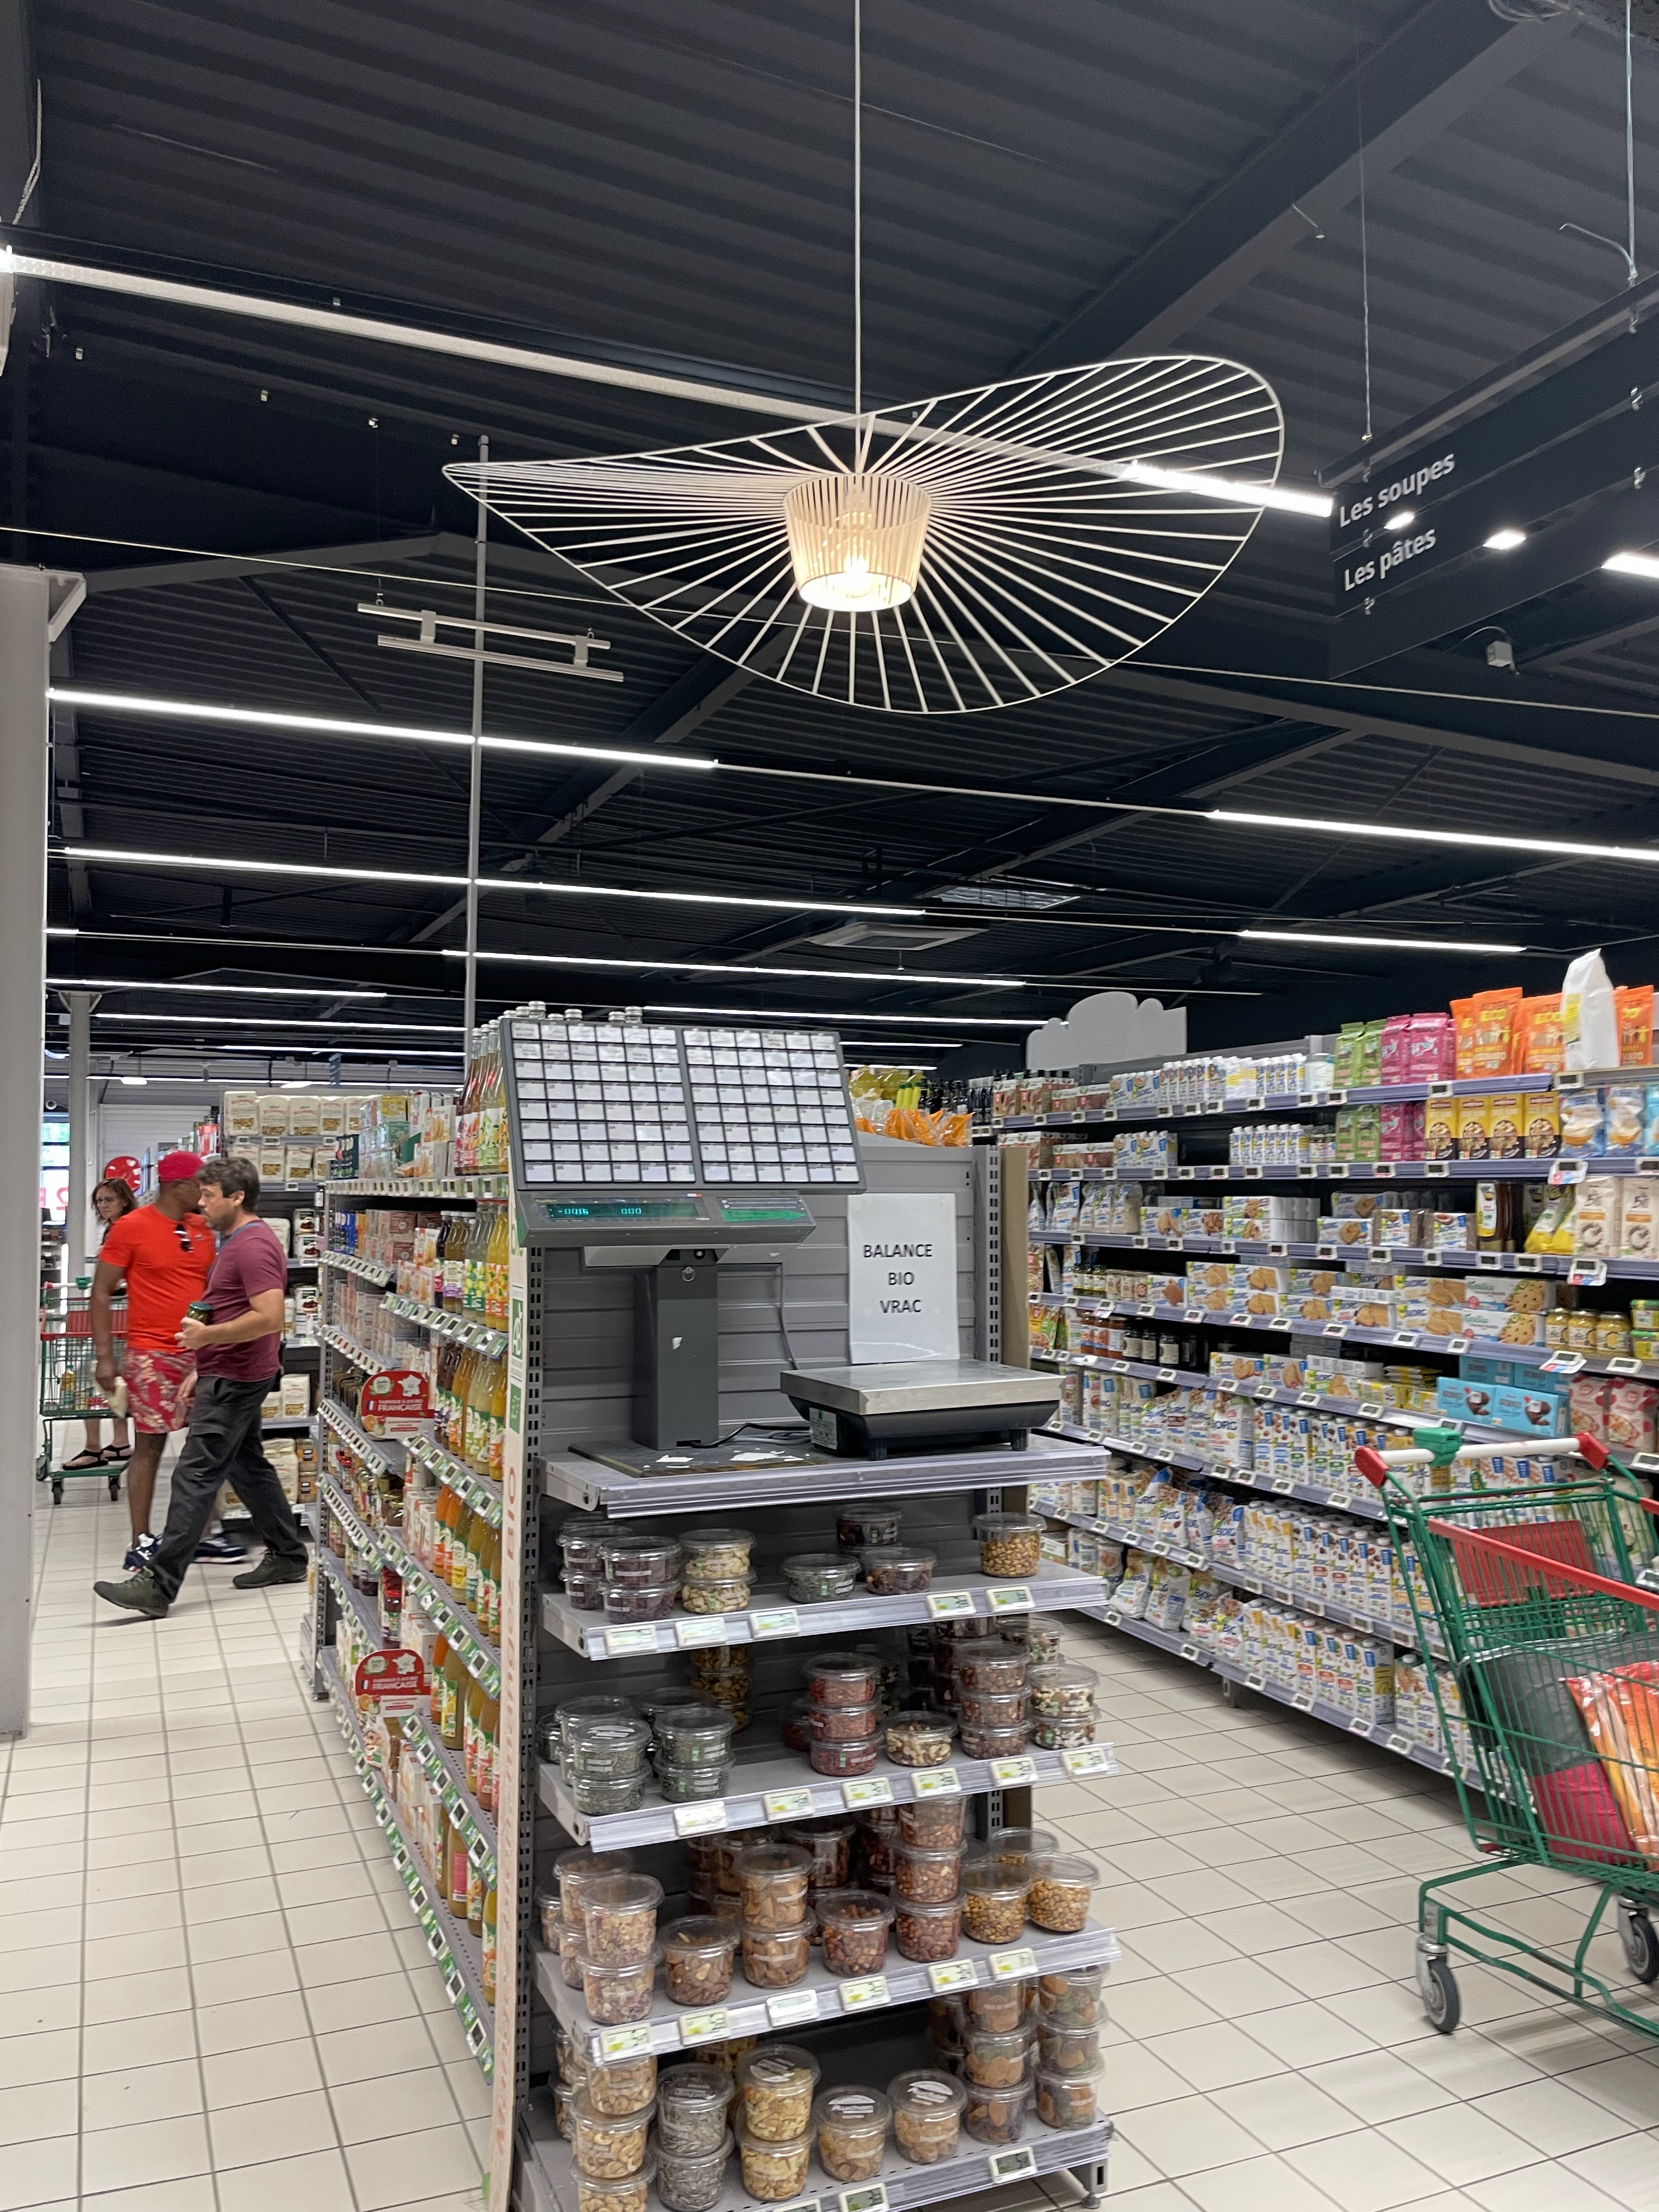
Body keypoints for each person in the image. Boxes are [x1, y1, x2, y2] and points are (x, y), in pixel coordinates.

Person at [94, 1154, 308, 1619]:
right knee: (248, 1465)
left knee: (194, 1475)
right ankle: (289, 1555)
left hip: (236, 1375)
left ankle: (158, 1585)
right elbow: (223, 1305)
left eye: (210, 1195)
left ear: (237, 1197)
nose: (202, 1202)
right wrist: (202, 1360)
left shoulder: (252, 1246)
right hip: (226, 1368)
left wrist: (208, 1341)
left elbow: (270, 1317)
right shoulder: (233, 1240)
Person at [92, 1152, 217, 1569]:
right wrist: (105, 1357)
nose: (205, 1191)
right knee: (149, 1446)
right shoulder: (131, 1227)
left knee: (207, 1445)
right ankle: (140, 1541)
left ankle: (202, 1535)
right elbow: (101, 1292)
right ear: (177, 1186)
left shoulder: (203, 1228)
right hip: (151, 1353)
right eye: (199, 1183)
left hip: (202, 1352)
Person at [63, 1178, 138, 1474]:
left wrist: (114, 1286)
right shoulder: (115, 1228)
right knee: (117, 1378)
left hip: (120, 1312)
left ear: (124, 1200)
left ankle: (93, 1448)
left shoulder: (125, 1229)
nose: (103, 1206)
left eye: (109, 1200)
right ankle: (120, 1442)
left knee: (86, 1373)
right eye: (99, 1201)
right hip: (121, 1312)